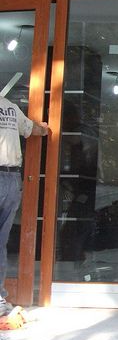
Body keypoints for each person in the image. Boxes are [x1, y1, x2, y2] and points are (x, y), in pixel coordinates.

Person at [0, 95, 49, 316]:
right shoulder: (9, 107)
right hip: (11, 179)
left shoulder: (10, 106)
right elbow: (33, 130)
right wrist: (45, 128)